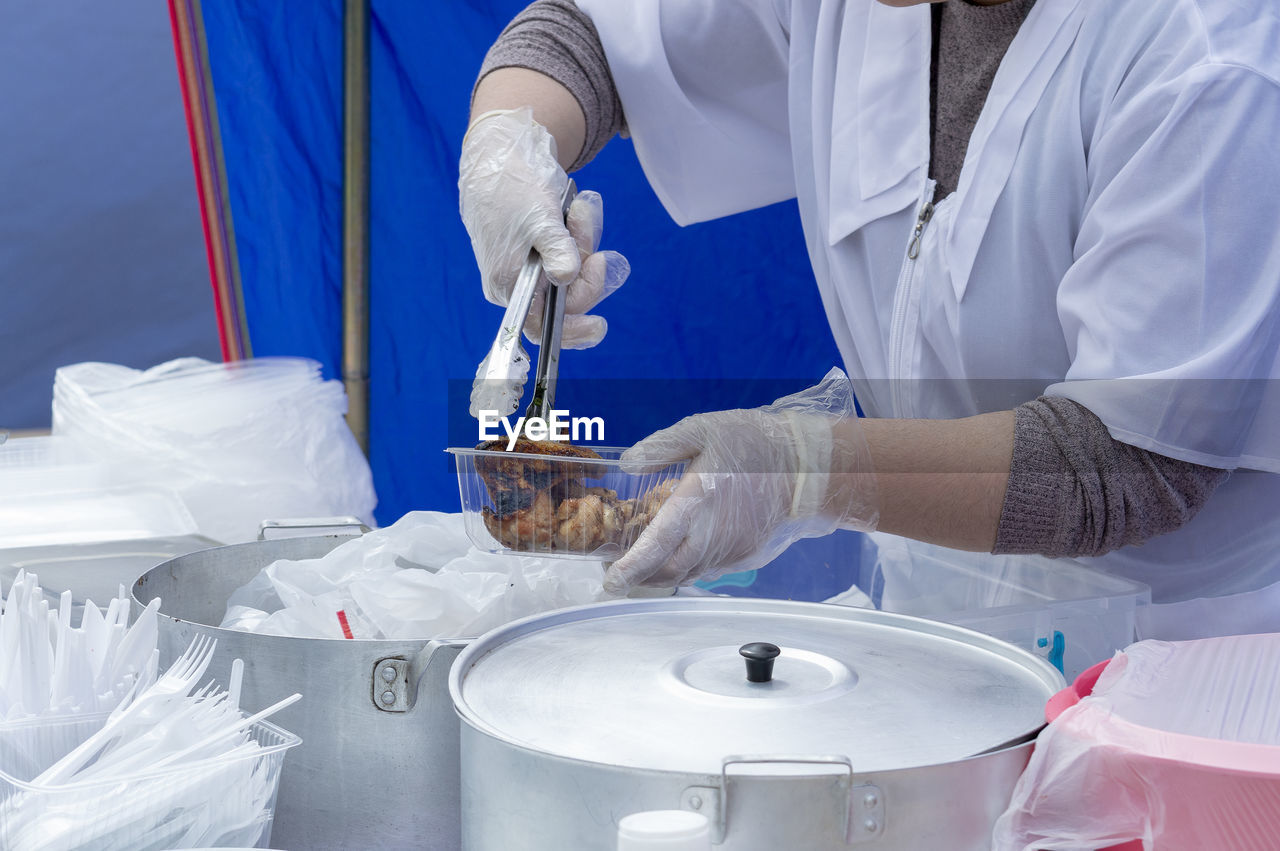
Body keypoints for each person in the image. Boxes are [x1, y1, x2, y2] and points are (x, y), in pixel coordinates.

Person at [458, 0, 1280, 641]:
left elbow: (1127, 461)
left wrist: (808, 469)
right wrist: (510, 149)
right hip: (944, 640)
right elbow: (584, 36)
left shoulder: (1203, 53)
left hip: (1164, 675)